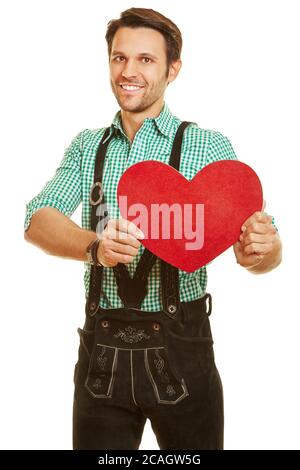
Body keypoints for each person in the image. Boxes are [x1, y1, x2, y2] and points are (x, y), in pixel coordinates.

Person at [24, 8, 282, 450]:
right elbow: (37, 219)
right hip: (100, 357)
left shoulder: (209, 146)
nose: (129, 72)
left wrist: (263, 248)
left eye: (146, 60)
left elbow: (261, 252)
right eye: (119, 58)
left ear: (172, 69)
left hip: (185, 351)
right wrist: (94, 246)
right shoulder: (88, 146)